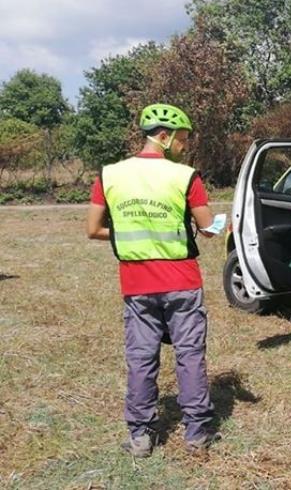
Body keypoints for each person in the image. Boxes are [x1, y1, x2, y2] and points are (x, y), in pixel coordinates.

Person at [86, 103, 219, 457]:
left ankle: (141, 436)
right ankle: (196, 435)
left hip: (136, 285)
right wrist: (226, 225)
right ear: (164, 136)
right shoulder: (186, 177)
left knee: (141, 358)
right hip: (182, 282)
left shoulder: (109, 175)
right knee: (190, 355)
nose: (184, 146)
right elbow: (207, 229)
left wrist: (131, 231)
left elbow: (94, 229)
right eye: (182, 139)